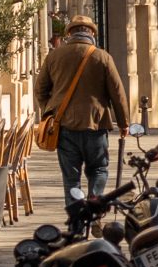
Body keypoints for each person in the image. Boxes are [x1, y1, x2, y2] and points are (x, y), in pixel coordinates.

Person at [35, 15, 129, 199]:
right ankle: (94, 205)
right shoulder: (102, 57)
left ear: (69, 33)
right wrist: (124, 123)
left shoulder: (54, 56)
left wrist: (51, 111)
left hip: (64, 126)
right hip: (95, 125)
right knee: (99, 169)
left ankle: (77, 218)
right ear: (92, 33)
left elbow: (40, 90)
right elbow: (117, 93)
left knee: (71, 178)